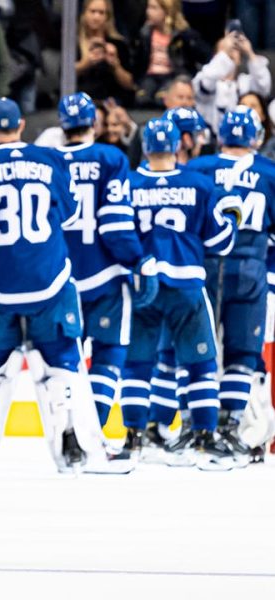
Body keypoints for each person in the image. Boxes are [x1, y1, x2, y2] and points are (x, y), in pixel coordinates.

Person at [0, 98, 123, 475]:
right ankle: (74, 443)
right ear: (21, 127)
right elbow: (67, 212)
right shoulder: (49, 159)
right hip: (49, 281)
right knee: (62, 365)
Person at [121, 117, 240, 470]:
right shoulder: (199, 185)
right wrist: (233, 217)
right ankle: (204, 437)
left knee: (137, 364)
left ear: (145, 147)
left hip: (143, 284)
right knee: (200, 363)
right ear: (176, 146)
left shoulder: (127, 184)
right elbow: (220, 242)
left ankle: (135, 436)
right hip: (186, 283)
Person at [49, 93, 155, 445]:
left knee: (67, 358)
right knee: (109, 353)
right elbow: (114, 224)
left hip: (60, 278)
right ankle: (92, 433)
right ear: (93, 123)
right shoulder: (111, 157)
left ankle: (71, 434)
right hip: (105, 275)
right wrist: (137, 261)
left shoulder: (47, 161)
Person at [185, 107, 275, 462]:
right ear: (256, 138)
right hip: (251, 271)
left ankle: (197, 426)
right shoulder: (269, 172)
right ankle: (230, 426)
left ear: (220, 136)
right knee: (242, 355)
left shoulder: (197, 170)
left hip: (203, 268)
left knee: (197, 352)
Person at [193, 23, 271, 133]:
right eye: (224, 49)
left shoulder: (246, 82)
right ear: (216, 57)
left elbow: (264, 88)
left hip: (245, 139)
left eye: (234, 49)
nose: (230, 51)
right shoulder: (205, 78)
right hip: (213, 142)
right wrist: (225, 52)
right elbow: (206, 82)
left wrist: (250, 53)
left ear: (240, 58)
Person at [132, 0, 210, 108]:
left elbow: (204, 55)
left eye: (154, 8)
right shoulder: (145, 33)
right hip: (150, 76)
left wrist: (187, 37)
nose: (148, 12)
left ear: (167, 12)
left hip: (172, 75)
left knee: (162, 99)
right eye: (148, 7)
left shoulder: (182, 34)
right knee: (141, 98)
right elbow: (138, 61)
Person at [76, 0, 135, 105]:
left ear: (107, 17)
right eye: (93, 11)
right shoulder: (74, 43)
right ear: (84, 14)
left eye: (101, 13)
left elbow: (130, 84)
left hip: (112, 100)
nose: (96, 17)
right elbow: (63, 77)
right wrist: (85, 63)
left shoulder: (119, 44)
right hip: (81, 99)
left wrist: (115, 65)